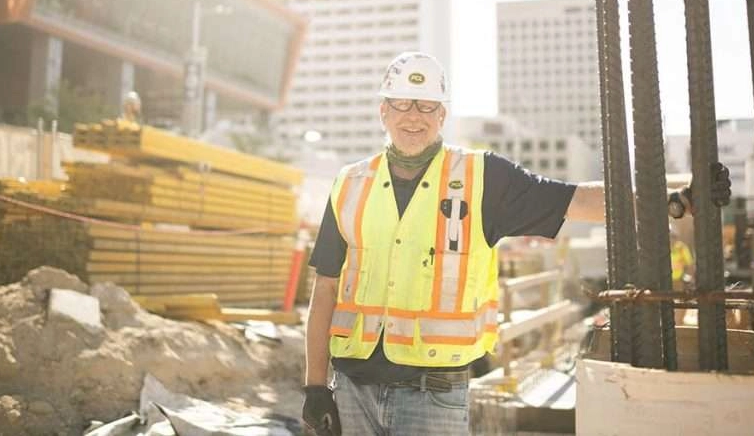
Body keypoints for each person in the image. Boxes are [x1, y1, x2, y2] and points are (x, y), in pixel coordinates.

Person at [302, 52, 730, 436]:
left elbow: (577, 199)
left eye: (426, 105)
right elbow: (324, 291)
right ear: (383, 111)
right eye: (401, 103)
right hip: (352, 391)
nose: (413, 116)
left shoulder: (482, 177)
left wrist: (676, 202)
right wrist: (315, 387)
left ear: (442, 115)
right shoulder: (349, 184)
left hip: (431, 396)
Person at [670, 225, 695, 326]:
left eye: (672, 237)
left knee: (680, 301)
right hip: (665, 281)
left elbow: (689, 264)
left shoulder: (681, 248)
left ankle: (679, 323)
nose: (671, 240)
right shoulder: (661, 249)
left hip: (678, 280)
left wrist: (690, 276)